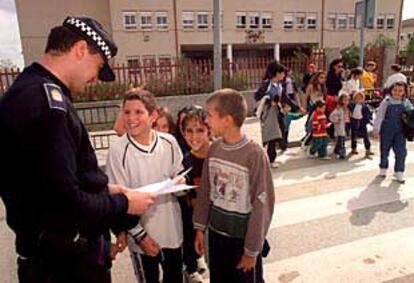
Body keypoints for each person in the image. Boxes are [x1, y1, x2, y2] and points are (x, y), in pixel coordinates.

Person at [0, 16, 155, 283]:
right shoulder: (47, 105)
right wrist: (125, 203)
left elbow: (47, 182)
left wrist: (105, 189)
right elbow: (65, 202)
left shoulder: (30, 89)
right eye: (98, 67)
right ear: (80, 50)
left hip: (55, 254)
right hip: (66, 263)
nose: (96, 78)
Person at [194, 89, 275, 283]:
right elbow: (206, 191)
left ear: (227, 120)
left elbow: (262, 205)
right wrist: (200, 228)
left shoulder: (254, 154)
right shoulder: (214, 149)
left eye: (210, 115)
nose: (206, 120)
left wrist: (251, 250)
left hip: (242, 241)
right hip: (216, 238)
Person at [106, 89, 184, 283]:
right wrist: (141, 237)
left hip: (173, 232)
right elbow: (119, 201)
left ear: (153, 115)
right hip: (141, 237)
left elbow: (180, 177)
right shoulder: (117, 151)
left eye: (138, 112)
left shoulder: (169, 142)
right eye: (127, 112)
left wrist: (181, 183)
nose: (131, 118)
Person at [181, 107, 211, 283]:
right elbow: (190, 202)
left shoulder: (220, 153)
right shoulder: (185, 163)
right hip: (204, 229)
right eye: (189, 131)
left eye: (200, 130)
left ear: (209, 130)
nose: (194, 136)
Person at [373, 82, 413, 183]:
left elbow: (411, 116)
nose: (397, 93)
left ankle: (399, 171)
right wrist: (376, 130)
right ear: (391, 90)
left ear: (404, 92)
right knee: (384, 149)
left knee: (401, 151)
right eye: (395, 90)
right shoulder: (386, 102)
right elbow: (380, 116)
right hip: (387, 130)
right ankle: (383, 168)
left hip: (400, 131)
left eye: (400, 91)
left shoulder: (406, 102)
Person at [255, 61, 287, 168]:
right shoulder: (266, 84)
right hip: (267, 114)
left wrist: (297, 107)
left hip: (276, 113)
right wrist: (269, 100)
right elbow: (257, 96)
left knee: (273, 136)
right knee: (266, 137)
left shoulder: (280, 86)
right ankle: (258, 158)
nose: (284, 75)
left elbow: (285, 98)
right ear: (277, 73)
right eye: (282, 73)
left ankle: (271, 159)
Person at [350, 91, 374, 158]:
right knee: (354, 136)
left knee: (365, 136)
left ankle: (368, 149)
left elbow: (368, 114)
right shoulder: (352, 106)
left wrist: (368, 120)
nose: (359, 100)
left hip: (362, 123)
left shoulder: (365, 107)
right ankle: (353, 148)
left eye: (360, 98)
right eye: (357, 98)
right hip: (354, 122)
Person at [330, 93, 351, 159]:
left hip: (346, 126)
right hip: (340, 127)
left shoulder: (347, 108)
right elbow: (331, 116)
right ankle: (342, 153)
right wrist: (337, 120)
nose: (346, 102)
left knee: (341, 140)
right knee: (341, 141)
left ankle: (336, 150)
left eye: (347, 100)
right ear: (341, 101)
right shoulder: (338, 109)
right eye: (344, 100)